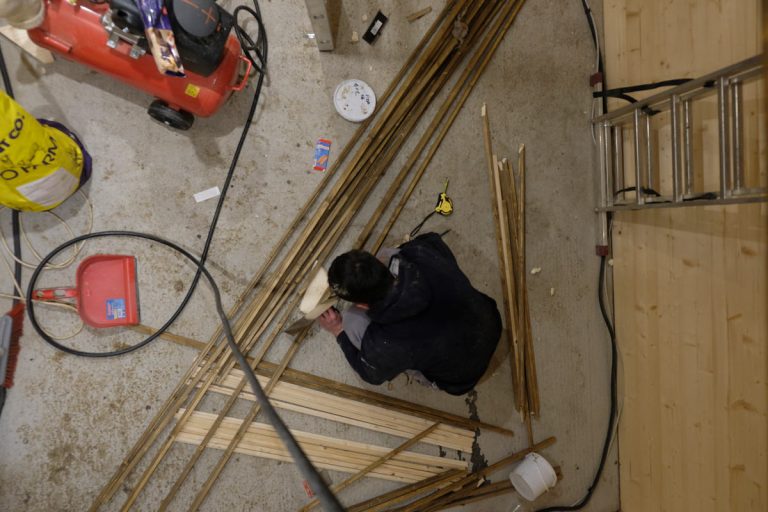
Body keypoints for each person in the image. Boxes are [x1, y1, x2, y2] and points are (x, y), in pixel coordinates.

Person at [317, 232, 502, 396]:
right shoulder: (420, 251)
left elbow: (370, 374)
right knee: (390, 252)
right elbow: (431, 240)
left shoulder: (387, 342)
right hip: (490, 322)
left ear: (362, 304)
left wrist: (338, 330)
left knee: (351, 321)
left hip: (461, 376)